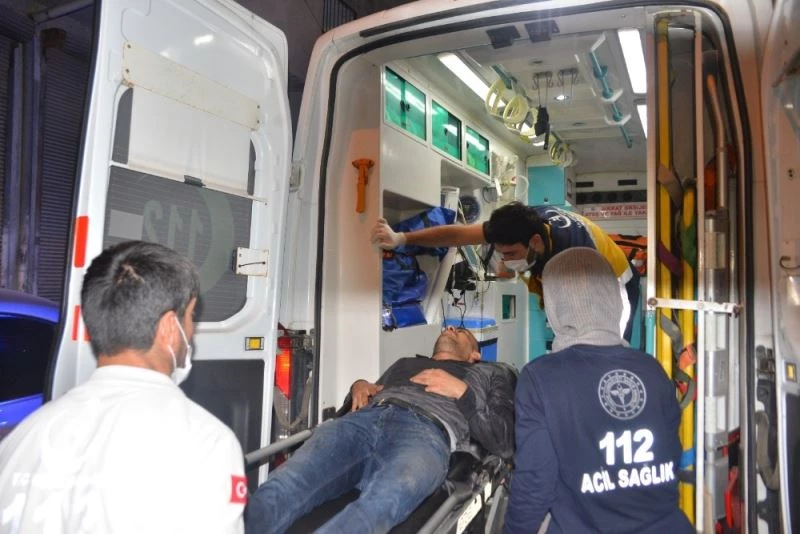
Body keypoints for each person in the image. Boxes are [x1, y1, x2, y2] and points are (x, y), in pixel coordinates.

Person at [0, 241, 246, 534]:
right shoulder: (206, 442)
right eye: (191, 316)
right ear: (170, 328)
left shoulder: (23, 439)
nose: (192, 330)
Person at [245, 326, 515, 534]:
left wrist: (461, 391)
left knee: (379, 505)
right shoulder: (404, 363)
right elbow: (363, 398)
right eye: (449, 327)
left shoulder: (488, 375)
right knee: (285, 485)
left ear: (475, 355)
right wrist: (358, 386)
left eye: (461, 331)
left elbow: (503, 442)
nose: (450, 328)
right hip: (364, 422)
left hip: (426, 433)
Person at [504, 248, 692, 533]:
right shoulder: (651, 368)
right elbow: (670, 453)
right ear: (612, 299)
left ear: (554, 306)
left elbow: (535, 484)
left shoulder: (541, 378)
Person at [371, 202, 640, 341]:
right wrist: (401, 238)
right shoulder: (516, 226)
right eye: (501, 253)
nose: (505, 260)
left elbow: (586, 326)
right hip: (556, 263)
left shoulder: (573, 258)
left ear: (535, 242)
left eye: (510, 254)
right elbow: (455, 234)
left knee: (607, 344)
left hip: (614, 280)